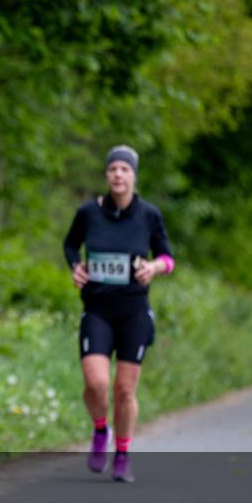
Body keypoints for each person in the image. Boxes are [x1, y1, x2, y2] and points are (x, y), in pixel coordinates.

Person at [63, 145, 174, 483]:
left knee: (124, 390)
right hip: (97, 309)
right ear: (107, 175)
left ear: (134, 176)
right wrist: (76, 267)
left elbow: (168, 258)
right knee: (96, 384)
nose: (118, 175)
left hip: (133, 313)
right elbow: (70, 245)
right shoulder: (88, 213)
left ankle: (123, 453)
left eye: (125, 170)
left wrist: (153, 268)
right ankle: (100, 430)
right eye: (113, 169)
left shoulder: (149, 215)